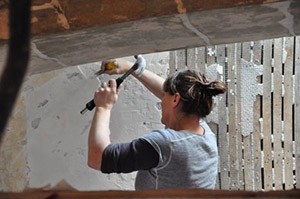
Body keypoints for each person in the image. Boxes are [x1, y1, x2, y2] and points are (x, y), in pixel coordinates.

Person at [87, 57, 226, 190]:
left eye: (164, 96)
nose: (161, 100)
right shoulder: (204, 133)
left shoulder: (167, 145)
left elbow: (97, 158)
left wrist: (103, 106)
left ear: (175, 99)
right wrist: (132, 68)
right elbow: (176, 94)